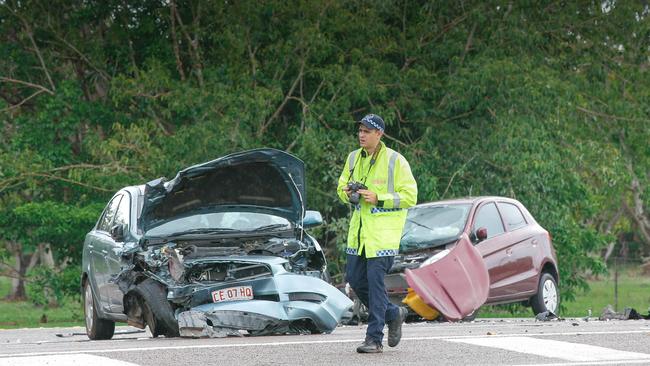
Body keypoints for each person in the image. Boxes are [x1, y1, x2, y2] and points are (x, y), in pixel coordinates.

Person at [337, 113, 418, 353]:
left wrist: (378, 198)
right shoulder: (353, 158)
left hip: (382, 237)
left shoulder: (396, 161)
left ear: (379, 134)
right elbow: (341, 187)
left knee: (374, 285)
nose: (361, 135)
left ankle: (374, 339)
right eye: (360, 130)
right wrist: (348, 192)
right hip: (359, 236)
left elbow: (410, 196)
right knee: (355, 279)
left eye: (367, 131)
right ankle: (393, 313)